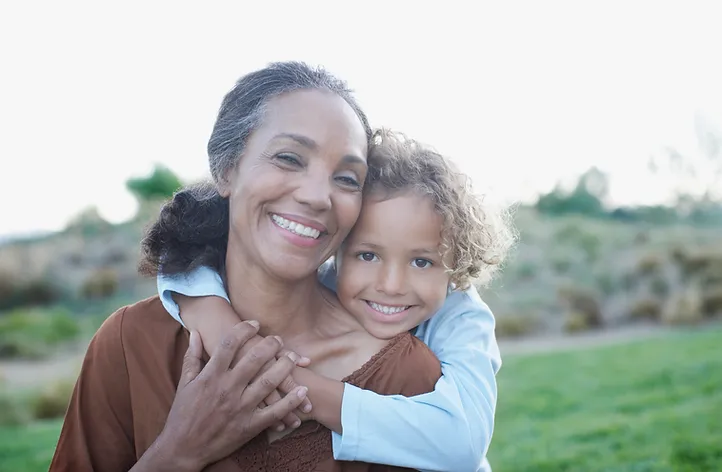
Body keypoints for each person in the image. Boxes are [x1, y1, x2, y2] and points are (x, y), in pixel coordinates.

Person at [159, 128, 515, 471]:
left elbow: (463, 443)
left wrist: (297, 386)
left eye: (422, 261)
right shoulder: (325, 280)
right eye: (368, 255)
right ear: (337, 246)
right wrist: (208, 311)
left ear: (457, 267)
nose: (391, 285)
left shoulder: (462, 316)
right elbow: (183, 255)